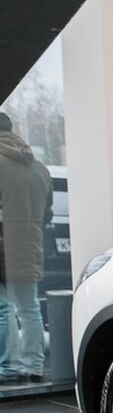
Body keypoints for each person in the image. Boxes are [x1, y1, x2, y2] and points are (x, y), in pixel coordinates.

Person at [0, 111, 52, 383]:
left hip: (2, 248)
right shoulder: (39, 168)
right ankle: (34, 366)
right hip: (29, 247)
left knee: (2, 309)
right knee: (29, 308)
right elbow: (47, 214)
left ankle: (9, 367)